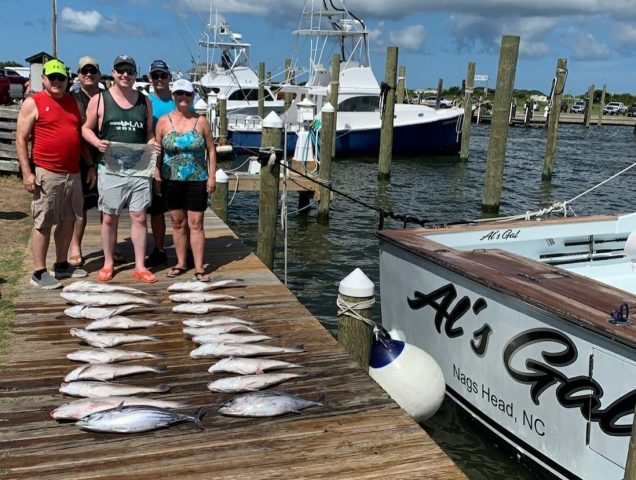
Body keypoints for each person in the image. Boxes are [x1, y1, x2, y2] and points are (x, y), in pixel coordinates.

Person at [82, 55, 160, 283]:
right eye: (120, 70)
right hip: (110, 168)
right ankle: (108, 262)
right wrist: (96, 143)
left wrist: (152, 142)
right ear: (113, 73)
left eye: (130, 71)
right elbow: (85, 128)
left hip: (139, 168)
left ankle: (140, 265)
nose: (125, 75)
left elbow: (148, 132)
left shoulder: (144, 101)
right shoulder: (99, 99)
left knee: (139, 216)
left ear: (136, 75)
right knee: (109, 218)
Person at [15, 58, 91, 289]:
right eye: (53, 77)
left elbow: (79, 139)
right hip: (47, 173)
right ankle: (39, 272)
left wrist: (91, 165)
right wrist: (27, 173)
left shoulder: (73, 103)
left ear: (68, 80)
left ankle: (61, 263)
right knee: (44, 221)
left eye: (61, 78)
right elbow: (21, 138)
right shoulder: (33, 102)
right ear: (43, 79)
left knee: (69, 220)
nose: (57, 81)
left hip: (73, 173)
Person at [155, 79, 216, 282]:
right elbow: (157, 151)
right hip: (171, 180)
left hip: (197, 179)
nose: (183, 97)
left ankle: (199, 267)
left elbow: (211, 149)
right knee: (177, 223)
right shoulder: (163, 121)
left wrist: (212, 175)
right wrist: (156, 175)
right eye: (179, 93)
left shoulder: (201, 121)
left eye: (187, 94)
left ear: (192, 97)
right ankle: (181, 262)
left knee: (196, 223)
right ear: (173, 95)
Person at [67, 55, 100, 267]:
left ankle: (112, 246)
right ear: (78, 75)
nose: (88, 74)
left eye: (92, 71)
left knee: (109, 207)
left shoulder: (108, 96)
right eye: (84, 71)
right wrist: (89, 165)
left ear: (98, 74)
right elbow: (74, 133)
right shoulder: (71, 98)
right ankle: (75, 246)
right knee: (80, 208)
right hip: (81, 159)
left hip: (105, 159)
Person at [145, 60, 172, 267]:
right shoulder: (146, 102)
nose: (160, 79)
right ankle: (160, 248)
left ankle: (187, 249)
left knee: (182, 208)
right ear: (150, 78)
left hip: (177, 160)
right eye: (156, 76)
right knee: (156, 209)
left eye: (163, 75)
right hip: (153, 158)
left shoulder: (181, 98)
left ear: (169, 77)